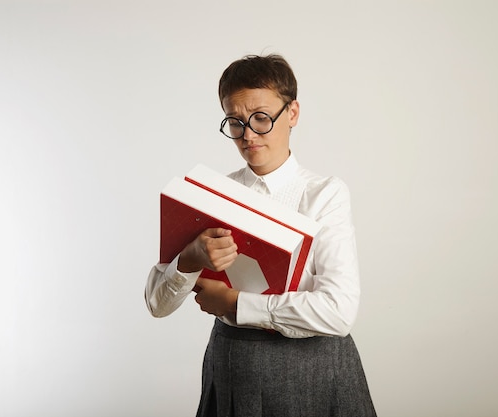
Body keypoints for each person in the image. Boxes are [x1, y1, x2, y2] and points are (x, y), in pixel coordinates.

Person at [145, 54, 377, 417]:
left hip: (313, 369)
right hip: (232, 364)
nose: (248, 135)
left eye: (261, 119)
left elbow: (339, 311)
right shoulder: (212, 196)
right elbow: (157, 305)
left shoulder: (324, 194)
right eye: (235, 122)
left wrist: (235, 303)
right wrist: (189, 259)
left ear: (293, 113)